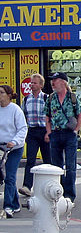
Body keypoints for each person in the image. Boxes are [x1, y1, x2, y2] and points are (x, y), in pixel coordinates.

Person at [45, 72, 81, 202]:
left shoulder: (72, 98)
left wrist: (76, 130)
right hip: (55, 134)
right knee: (56, 166)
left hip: (69, 134)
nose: (52, 83)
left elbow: (80, 114)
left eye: (55, 80)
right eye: (52, 81)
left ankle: (69, 195)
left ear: (63, 82)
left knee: (70, 166)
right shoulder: (51, 98)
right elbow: (47, 116)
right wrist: (49, 132)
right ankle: (57, 193)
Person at [19, 74, 51, 197]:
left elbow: (50, 116)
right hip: (32, 131)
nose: (32, 85)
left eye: (35, 83)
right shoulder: (26, 99)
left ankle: (50, 184)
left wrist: (49, 132)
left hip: (44, 130)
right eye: (31, 83)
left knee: (48, 160)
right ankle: (27, 186)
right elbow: (23, 116)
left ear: (41, 85)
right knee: (30, 160)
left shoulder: (46, 98)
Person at [0, 85, 27, 218]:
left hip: (14, 148)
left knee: (10, 176)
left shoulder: (15, 110)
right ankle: (16, 204)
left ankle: (8, 206)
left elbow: (22, 128)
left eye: (1, 93)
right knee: (4, 177)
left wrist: (14, 141)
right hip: (1, 148)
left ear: (9, 95)